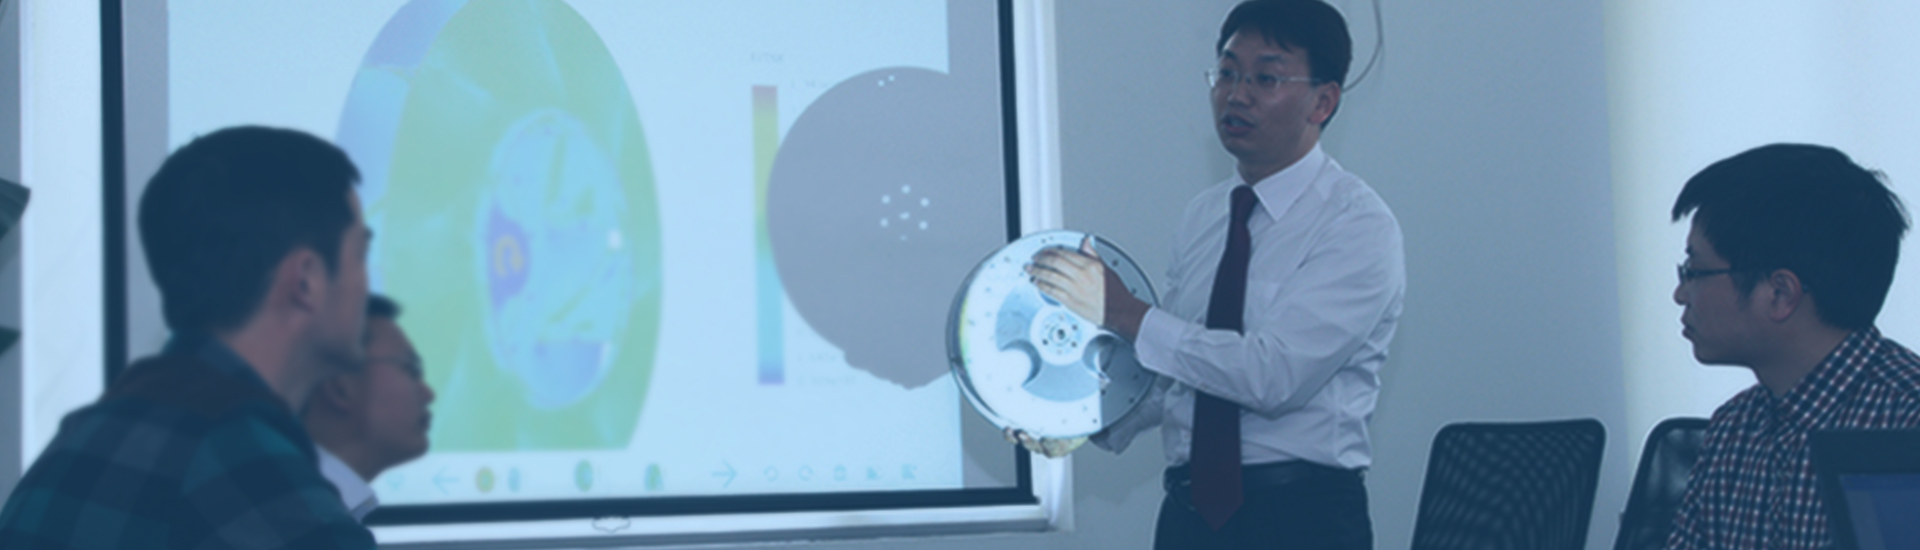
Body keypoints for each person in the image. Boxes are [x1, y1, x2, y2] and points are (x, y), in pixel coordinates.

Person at [1025, 1, 1403, 548]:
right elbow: (1180, 374)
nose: (1236, 94)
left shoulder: (1357, 224)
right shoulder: (1205, 216)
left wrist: (1126, 313)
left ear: (1323, 101)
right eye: (1226, 73)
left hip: (1301, 517)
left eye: (1265, 78)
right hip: (1189, 516)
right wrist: (1080, 418)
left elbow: (1272, 377)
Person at [0, 126, 377, 548]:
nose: (371, 286)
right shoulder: (237, 451)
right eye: (361, 254)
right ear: (305, 279)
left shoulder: (90, 430)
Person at [1665, 144, 1920, 550]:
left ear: (1780, 293)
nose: (1680, 294)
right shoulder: (1733, 428)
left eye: (1693, 271)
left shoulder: (1907, 421)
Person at [303, 294, 436, 523]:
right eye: (410, 369)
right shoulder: (303, 517)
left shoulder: (311, 504)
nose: (428, 394)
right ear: (341, 387)